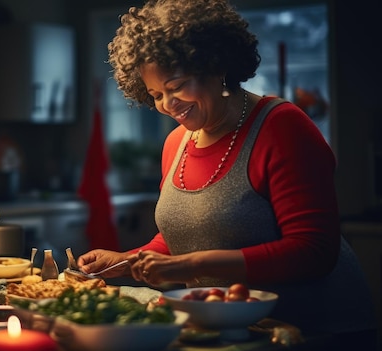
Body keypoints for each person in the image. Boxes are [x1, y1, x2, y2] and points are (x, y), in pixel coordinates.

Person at [77, 0, 377, 349]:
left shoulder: (282, 127)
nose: (167, 105)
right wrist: (127, 261)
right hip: (234, 332)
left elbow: (314, 252)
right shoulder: (176, 142)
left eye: (176, 86)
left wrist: (191, 266)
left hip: (316, 331)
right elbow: (188, 235)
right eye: (156, 94)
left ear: (215, 65)